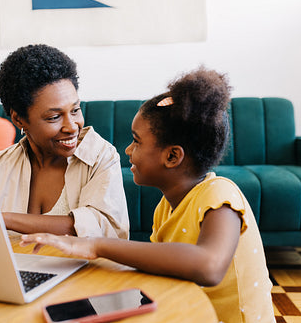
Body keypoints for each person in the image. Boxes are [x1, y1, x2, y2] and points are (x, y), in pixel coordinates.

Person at [20, 67, 275, 322]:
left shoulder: (220, 194)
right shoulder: (165, 208)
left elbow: (208, 266)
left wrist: (96, 244)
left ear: (172, 156)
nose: (128, 150)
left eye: (137, 141)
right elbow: (162, 269)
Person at [0, 44, 129, 239]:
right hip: (12, 269)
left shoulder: (100, 157)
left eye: (75, 110)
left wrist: (5, 219)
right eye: (54, 117)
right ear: (19, 119)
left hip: (84, 270)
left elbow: (103, 227)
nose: (72, 126)